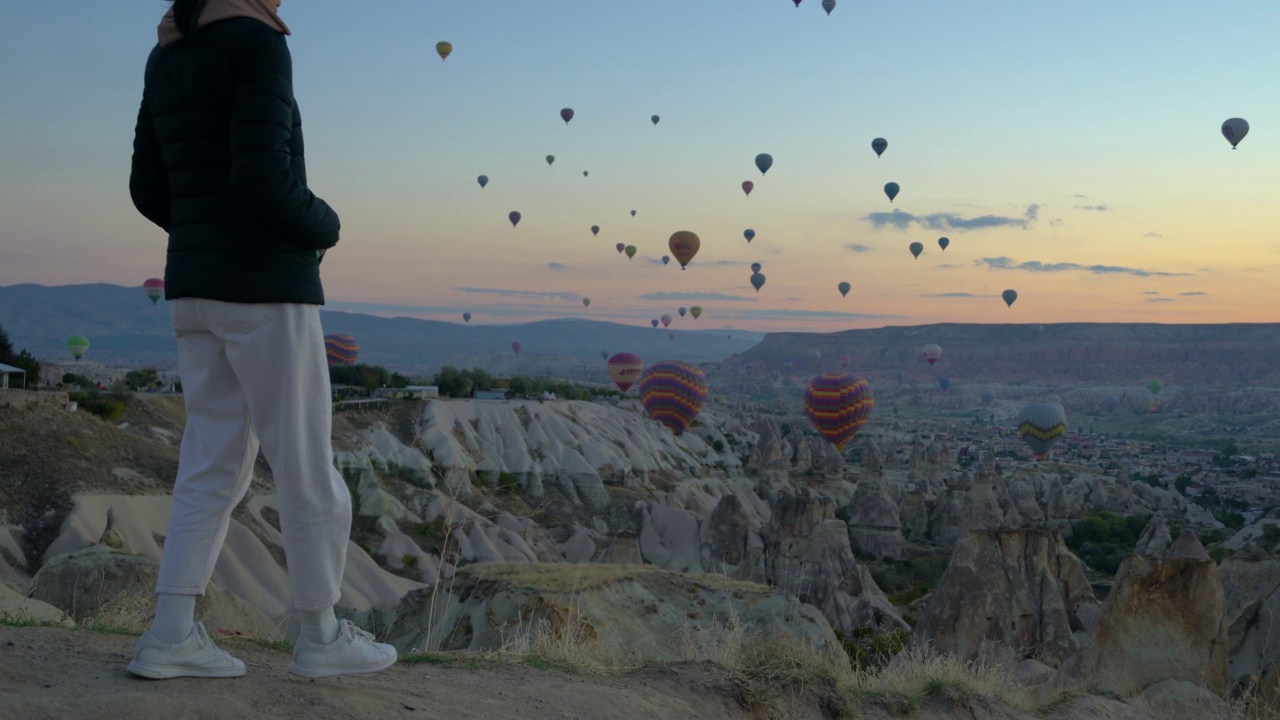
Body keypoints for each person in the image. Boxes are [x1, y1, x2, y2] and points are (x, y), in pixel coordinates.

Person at [127, 0, 396, 680]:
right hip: (265, 289)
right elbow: (263, 176)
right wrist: (324, 225)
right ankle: (321, 634)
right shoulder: (258, 44)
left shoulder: (168, 52)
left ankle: (170, 633)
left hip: (192, 287)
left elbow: (147, 186)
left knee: (210, 461)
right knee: (303, 461)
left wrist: (201, 228)